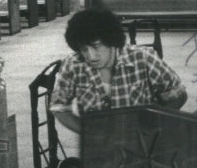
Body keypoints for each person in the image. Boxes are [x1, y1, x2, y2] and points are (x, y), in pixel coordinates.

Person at [50, 8, 187, 133]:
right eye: (84, 49)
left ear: (111, 41)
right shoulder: (73, 64)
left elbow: (178, 94)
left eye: (96, 46)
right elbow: (59, 106)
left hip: (142, 139)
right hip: (98, 145)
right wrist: (87, 131)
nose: (91, 56)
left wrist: (152, 124)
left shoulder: (143, 58)